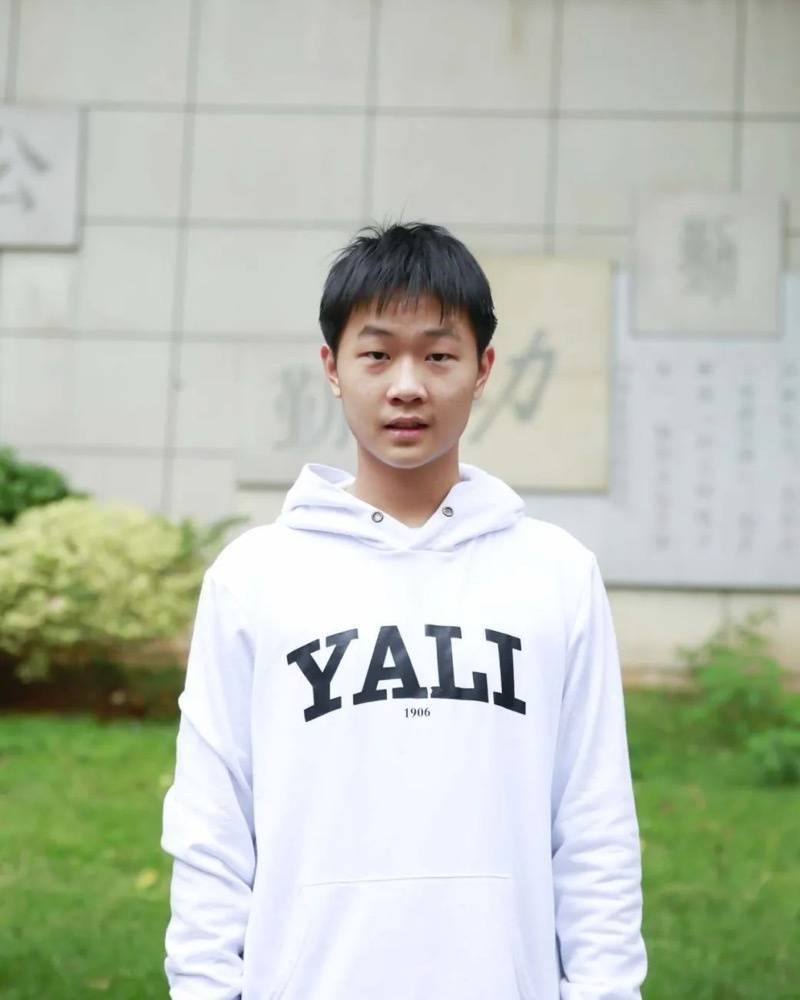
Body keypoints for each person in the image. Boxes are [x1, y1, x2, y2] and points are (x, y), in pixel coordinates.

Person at [161, 221, 647, 999]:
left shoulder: (555, 575)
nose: (408, 386)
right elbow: (211, 825)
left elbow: (594, 824)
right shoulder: (255, 578)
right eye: (378, 354)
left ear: (483, 369)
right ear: (332, 367)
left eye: (439, 355)